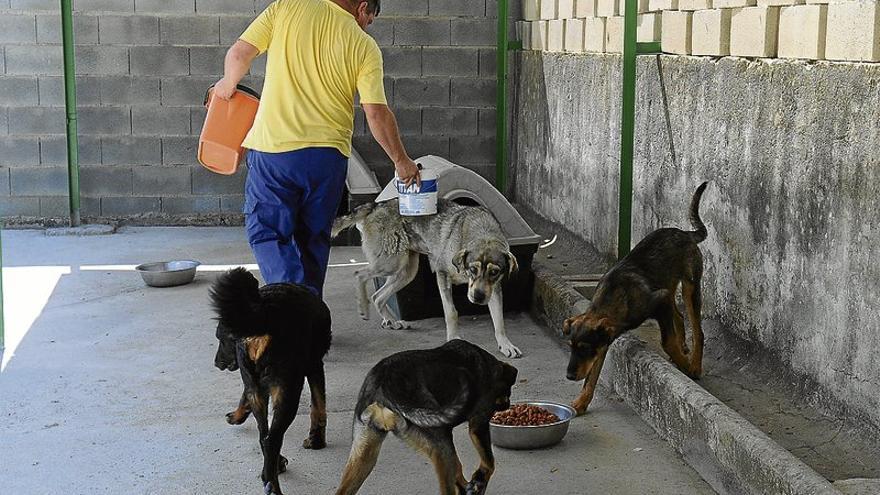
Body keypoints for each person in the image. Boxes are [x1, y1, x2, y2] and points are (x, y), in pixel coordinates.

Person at [213, 0, 420, 297]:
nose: (366, 26)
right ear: (363, 7)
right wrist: (401, 161)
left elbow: (240, 53)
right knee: (313, 240)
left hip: (275, 151)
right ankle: (307, 315)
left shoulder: (286, 7)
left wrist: (227, 84)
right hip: (327, 158)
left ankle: (289, 307)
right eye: (370, 19)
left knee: (269, 234)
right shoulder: (364, 44)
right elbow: (375, 112)